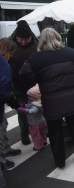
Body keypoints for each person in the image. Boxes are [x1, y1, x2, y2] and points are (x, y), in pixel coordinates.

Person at [19, 28, 74, 170]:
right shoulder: (72, 52)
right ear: (58, 38)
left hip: (51, 102)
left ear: (41, 41)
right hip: (73, 99)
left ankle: (60, 163)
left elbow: (24, 74)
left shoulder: (36, 58)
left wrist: (37, 80)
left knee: (55, 133)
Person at [9, 20, 38, 145]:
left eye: (26, 39)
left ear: (31, 36)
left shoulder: (36, 43)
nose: (23, 41)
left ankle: (41, 129)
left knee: (39, 108)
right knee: (22, 110)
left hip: (34, 83)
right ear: (17, 37)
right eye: (20, 39)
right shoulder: (10, 44)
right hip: (17, 84)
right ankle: (24, 134)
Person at [0, 38, 22, 174]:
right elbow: (3, 89)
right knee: (0, 133)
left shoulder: (4, 63)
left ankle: (7, 149)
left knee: (4, 125)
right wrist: (13, 102)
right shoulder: (3, 64)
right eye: (12, 52)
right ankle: (2, 160)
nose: (12, 56)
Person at [17, 84, 47, 151]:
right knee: (43, 133)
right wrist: (25, 105)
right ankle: (44, 141)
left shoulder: (35, 105)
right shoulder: (39, 103)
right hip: (42, 122)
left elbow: (33, 110)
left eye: (30, 96)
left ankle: (38, 146)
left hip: (35, 124)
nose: (28, 97)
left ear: (36, 98)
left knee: (36, 136)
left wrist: (25, 110)